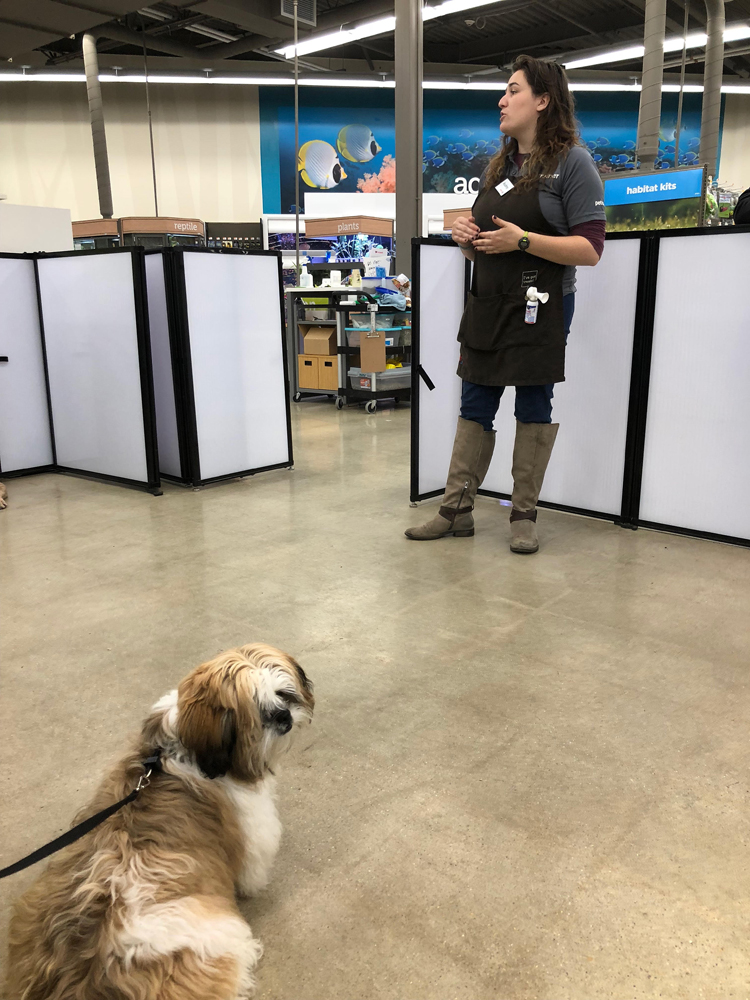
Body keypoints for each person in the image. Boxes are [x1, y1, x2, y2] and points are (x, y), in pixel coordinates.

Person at [406, 54, 605, 553]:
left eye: (513, 90)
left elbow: (590, 250)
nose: (502, 99)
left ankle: (523, 515)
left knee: (534, 402)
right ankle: (456, 510)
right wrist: (465, 237)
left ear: (542, 100)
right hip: (488, 302)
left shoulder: (573, 164)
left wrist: (522, 241)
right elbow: (487, 238)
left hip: (543, 304)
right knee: (475, 401)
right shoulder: (498, 166)